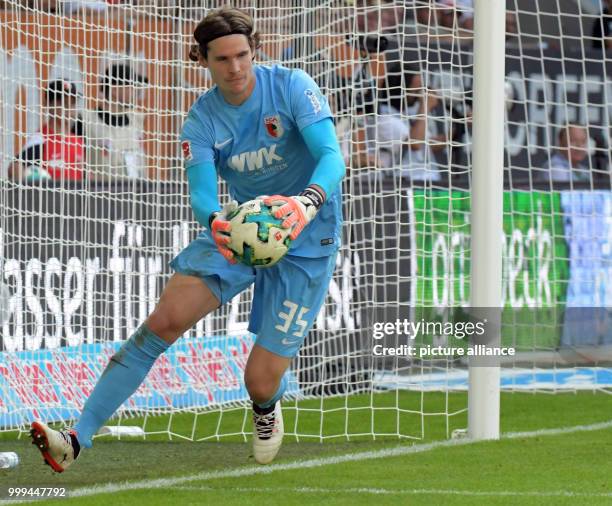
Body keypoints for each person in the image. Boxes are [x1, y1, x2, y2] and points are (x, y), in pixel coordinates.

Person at [30, 6, 345, 471]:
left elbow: (332, 156)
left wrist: (307, 203)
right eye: (222, 59)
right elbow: (201, 195)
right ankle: (77, 439)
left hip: (307, 236)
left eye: (242, 55)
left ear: (254, 51)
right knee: (162, 323)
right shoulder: (200, 121)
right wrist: (215, 219)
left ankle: (265, 406)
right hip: (240, 233)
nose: (235, 68)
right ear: (203, 60)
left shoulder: (293, 86)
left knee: (259, 382)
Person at [7, 80, 85, 182]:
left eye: (73, 103)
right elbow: (14, 168)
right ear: (50, 105)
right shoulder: (40, 139)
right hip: (51, 197)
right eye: (65, 104)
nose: (69, 109)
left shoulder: (78, 141)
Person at [84, 63, 148, 180]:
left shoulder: (137, 120)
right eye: (131, 85)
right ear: (113, 89)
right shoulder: (86, 121)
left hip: (136, 193)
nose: (135, 91)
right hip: (100, 194)